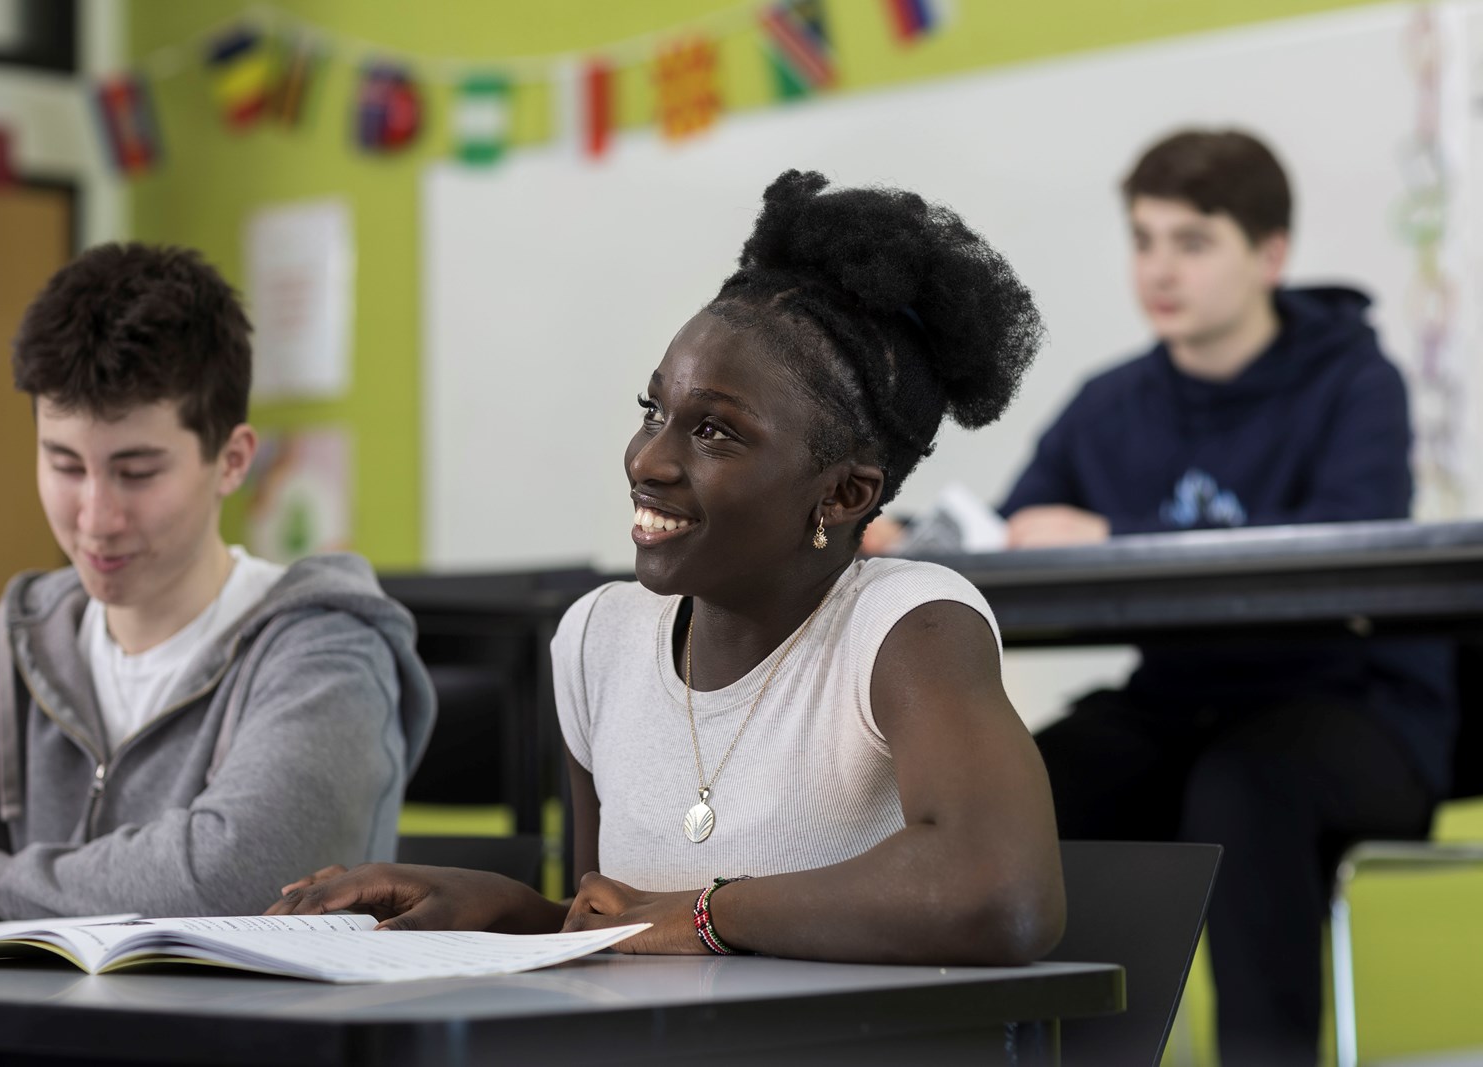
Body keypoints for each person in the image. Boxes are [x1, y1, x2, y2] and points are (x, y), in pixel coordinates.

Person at [268, 170, 1064, 965]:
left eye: (715, 432)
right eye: (655, 410)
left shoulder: (909, 625)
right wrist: (509, 912)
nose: (648, 458)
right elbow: (624, 933)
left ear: (845, 492)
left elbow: (1004, 892)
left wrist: (707, 914)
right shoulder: (598, 637)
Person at [1000, 130, 1457, 1066]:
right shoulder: (1110, 401)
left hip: (1351, 704)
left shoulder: (1355, 382)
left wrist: (1116, 538)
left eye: (1194, 241)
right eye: (1144, 239)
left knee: (1246, 788)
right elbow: (1017, 530)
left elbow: (1344, 562)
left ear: (1270, 255)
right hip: (1184, 705)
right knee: (1030, 784)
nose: (1160, 269)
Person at [0, 243, 435, 937]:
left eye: (136, 471)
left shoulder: (327, 648)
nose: (94, 517)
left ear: (232, 460)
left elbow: (240, 874)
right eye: (64, 464)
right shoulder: (7, 647)